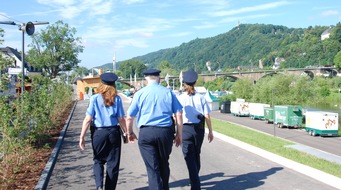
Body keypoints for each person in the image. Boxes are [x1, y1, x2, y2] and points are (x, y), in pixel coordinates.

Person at [126, 69, 183, 190]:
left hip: (146, 133)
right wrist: (179, 134)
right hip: (165, 132)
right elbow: (178, 113)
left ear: (146, 80)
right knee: (164, 163)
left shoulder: (139, 94)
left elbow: (130, 117)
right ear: (159, 78)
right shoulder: (168, 92)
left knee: (152, 168)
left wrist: (129, 132)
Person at [79, 72, 127, 190]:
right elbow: (121, 119)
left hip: (98, 133)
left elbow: (88, 119)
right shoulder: (117, 99)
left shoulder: (95, 98)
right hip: (114, 133)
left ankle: (99, 186)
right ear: (113, 85)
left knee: (98, 160)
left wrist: (82, 136)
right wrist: (126, 132)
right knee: (113, 163)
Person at [177, 69, 214, 190]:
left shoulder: (180, 98)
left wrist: (177, 132)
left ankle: (195, 182)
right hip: (199, 129)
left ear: (184, 83)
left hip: (185, 128)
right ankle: (195, 177)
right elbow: (207, 115)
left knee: (188, 156)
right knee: (196, 153)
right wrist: (210, 131)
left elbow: (177, 115)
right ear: (195, 82)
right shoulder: (201, 97)